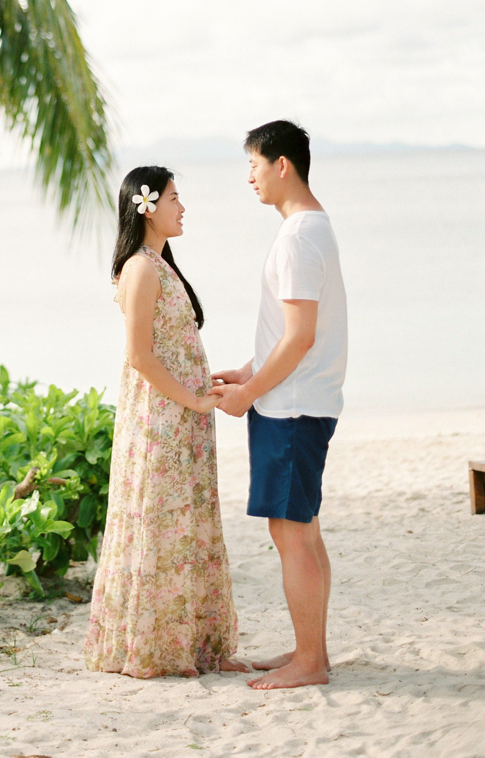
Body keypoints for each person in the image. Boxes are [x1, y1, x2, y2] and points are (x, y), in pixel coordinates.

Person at [84, 166, 248, 678]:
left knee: (186, 522)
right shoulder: (140, 267)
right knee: (161, 522)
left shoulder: (159, 262)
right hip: (162, 419)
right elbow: (139, 355)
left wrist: (206, 387)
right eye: (175, 198)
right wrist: (194, 401)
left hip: (182, 419)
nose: (183, 207)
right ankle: (154, 647)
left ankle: (192, 643)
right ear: (147, 205)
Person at [214, 120, 347, 690]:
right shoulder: (310, 228)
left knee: (292, 533)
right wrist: (248, 371)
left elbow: (300, 337)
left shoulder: (298, 236)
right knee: (303, 531)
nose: (250, 177)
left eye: (253, 164)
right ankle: (307, 650)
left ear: (282, 164)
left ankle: (310, 663)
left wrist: (248, 393)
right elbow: (287, 335)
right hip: (295, 399)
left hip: (291, 408)